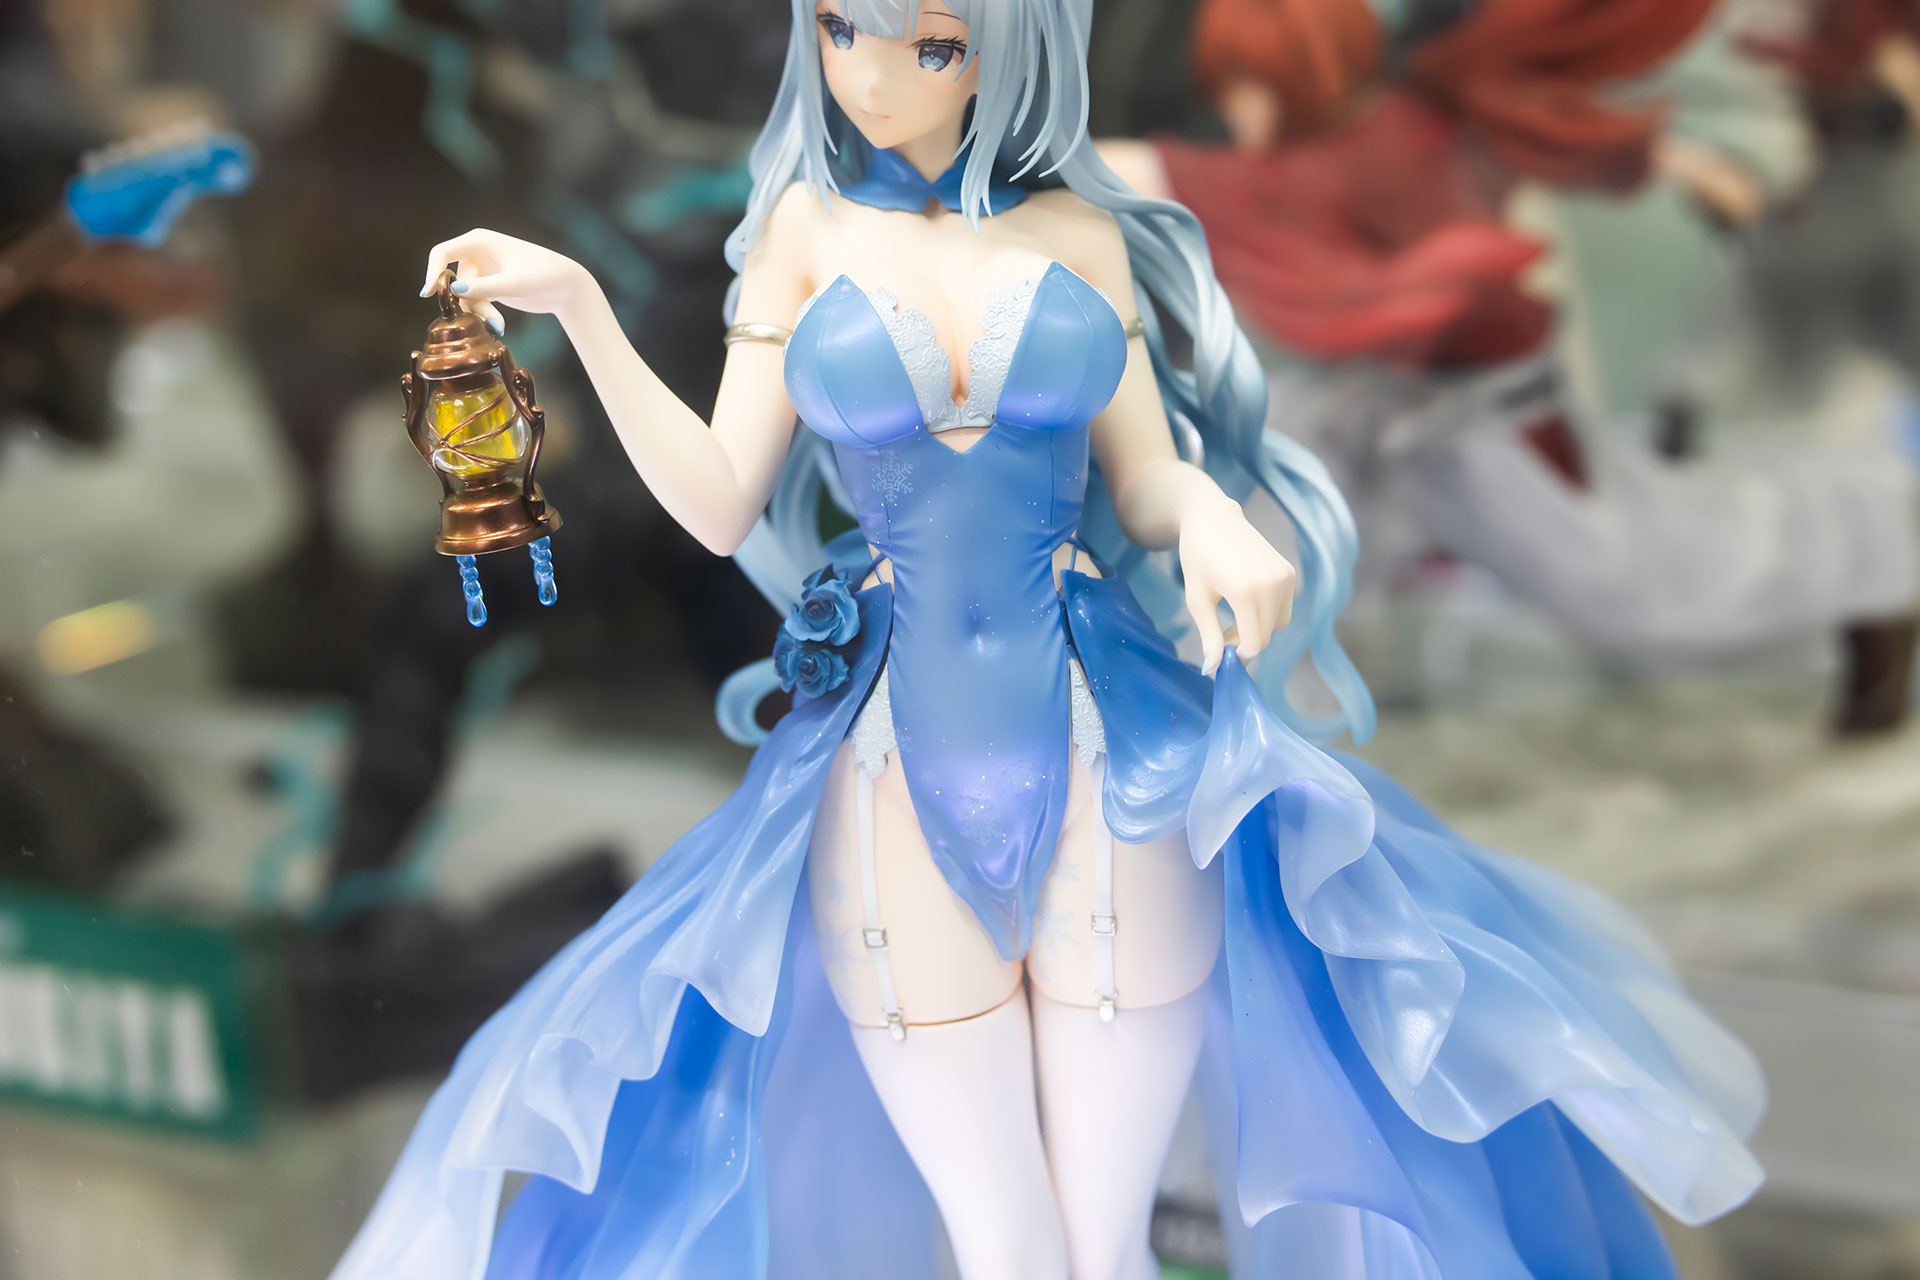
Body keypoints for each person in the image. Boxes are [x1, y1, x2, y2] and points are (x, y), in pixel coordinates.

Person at [332, 3, 1763, 1278]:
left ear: (1006, 45)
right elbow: (716, 504)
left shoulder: (1081, 234)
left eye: (929, 42)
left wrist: (1211, 516)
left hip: (1110, 754)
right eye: (839, 29)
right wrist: (582, 308)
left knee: (1103, 1243)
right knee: (1007, 1248)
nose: (870, 74)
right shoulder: (802, 237)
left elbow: (1147, 477)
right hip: (891, 773)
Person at [1098, 0, 1919, 729]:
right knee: (1274, 540)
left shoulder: (1342, 154)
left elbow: (1136, 175)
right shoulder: (1413, 111)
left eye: (1243, 86)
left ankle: (1881, 532)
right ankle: (1246, 737)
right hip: (1358, 415)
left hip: (1480, 417)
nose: (1237, 111)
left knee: (1639, 595)